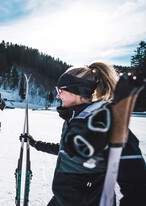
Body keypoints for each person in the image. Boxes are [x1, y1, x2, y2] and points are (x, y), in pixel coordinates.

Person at [22, 62, 146, 206]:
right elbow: (66, 151)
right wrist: (36, 143)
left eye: (60, 89)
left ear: (77, 89)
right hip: (61, 199)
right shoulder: (73, 120)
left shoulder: (104, 123)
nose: (57, 95)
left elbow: (138, 189)